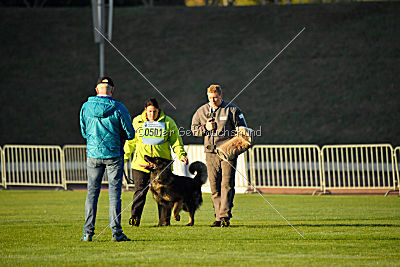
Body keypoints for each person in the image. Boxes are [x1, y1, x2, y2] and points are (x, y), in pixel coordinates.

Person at [80, 77, 135, 242]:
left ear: (97, 90)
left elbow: (84, 132)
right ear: (112, 90)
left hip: (93, 155)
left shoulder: (85, 106)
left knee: (92, 194)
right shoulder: (118, 107)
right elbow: (130, 133)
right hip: (113, 154)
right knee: (114, 195)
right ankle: (116, 233)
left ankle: (88, 233)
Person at [124, 98, 188, 227]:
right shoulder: (137, 122)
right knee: (140, 192)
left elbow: (175, 140)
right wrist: (124, 157)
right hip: (141, 164)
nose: (152, 114)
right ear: (145, 111)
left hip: (162, 166)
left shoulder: (168, 122)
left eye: (154, 111)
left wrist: (181, 155)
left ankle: (164, 221)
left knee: (164, 193)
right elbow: (131, 142)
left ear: (159, 111)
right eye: (149, 111)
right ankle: (135, 218)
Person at [191, 84, 247, 227]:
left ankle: (224, 217)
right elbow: (194, 130)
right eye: (210, 98)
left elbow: (242, 129)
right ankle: (218, 216)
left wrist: (237, 138)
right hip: (210, 153)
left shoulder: (232, 109)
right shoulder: (201, 111)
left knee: (227, 184)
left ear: (221, 96)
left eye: (215, 97)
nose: (213, 100)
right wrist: (205, 128)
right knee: (214, 187)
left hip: (228, 153)